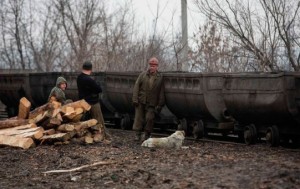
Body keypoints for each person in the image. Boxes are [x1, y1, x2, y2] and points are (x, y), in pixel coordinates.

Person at [132, 57, 165, 141]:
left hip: (152, 103)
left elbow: (161, 91)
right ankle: (137, 134)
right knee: (139, 118)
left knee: (149, 118)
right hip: (141, 100)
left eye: (154, 66)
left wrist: (160, 104)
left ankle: (147, 134)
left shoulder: (160, 77)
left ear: (157, 66)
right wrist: (135, 99)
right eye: (151, 65)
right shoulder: (143, 75)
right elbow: (136, 86)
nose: (152, 67)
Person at [77, 61, 110, 141]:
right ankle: (103, 136)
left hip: (82, 102)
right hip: (92, 102)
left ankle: (85, 136)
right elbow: (99, 89)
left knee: (85, 121)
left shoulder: (79, 78)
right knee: (99, 120)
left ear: (83, 67)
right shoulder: (89, 80)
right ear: (90, 69)